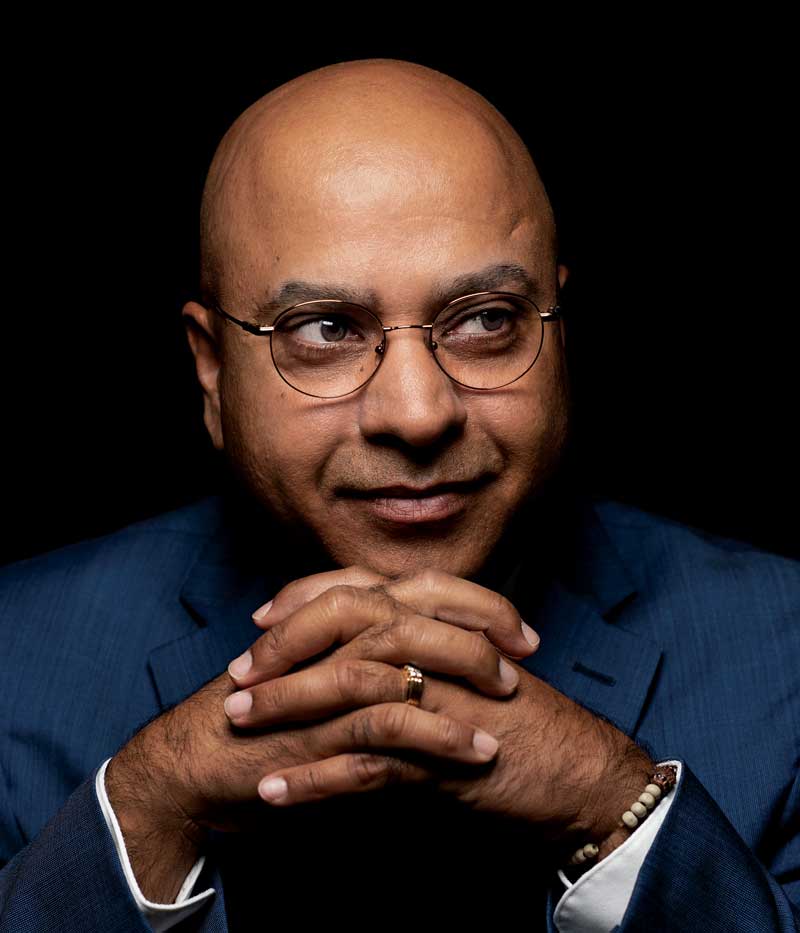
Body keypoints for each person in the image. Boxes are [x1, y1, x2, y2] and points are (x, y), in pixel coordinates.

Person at [0, 57, 797, 933]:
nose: (418, 414)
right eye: (325, 329)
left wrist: (613, 802)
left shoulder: (784, 648)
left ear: (559, 334)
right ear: (212, 369)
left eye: (487, 319)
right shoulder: (17, 656)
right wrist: (148, 808)